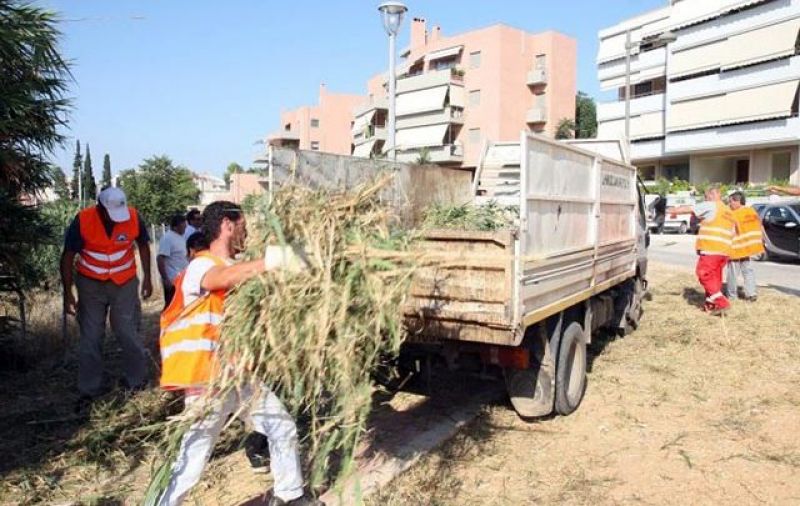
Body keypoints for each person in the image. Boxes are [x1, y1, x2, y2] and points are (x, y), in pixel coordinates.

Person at [156, 201, 319, 506]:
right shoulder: (201, 265)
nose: (246, 232)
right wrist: (274, 261)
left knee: (281, 425)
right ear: (228, 225)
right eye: (243, 226)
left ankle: (289, 495)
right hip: (207, 381)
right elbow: (221, 280)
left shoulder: (237, 267)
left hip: (238, 374)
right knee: (194, 456)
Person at [60, 187, 152, 404]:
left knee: (127, 330)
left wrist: (147, 277)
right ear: (100, 208)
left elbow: (144, 245)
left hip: (124, 281)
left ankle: (136, 381)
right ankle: (89, 389)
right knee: (91, 335)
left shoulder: (132, 216)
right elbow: (68, 256)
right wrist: (68, 292)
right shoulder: (83, 220)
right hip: (90, 282)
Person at [668, 186, 737, 315]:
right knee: (715, 279)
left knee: (703, 274)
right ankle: (711, 305)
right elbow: (733, 232)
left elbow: (689, 209)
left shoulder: (711, 205)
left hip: (711, 248)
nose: (705, 200)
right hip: (724, 251)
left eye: (705, 197)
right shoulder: (728, 211)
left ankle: (722, 302)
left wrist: (671, 210)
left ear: (711, 195)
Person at [726, 192, 764, 302]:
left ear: (737, 201)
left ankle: (732, 296)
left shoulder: (734, 214)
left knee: (733, 273)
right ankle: (751, 294)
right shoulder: (751, 211)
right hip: (748, 247)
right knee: (748, 271)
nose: (729, 204)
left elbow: (732, 231)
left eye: (731, 201)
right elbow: (759, 226)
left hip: (736, 248)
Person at [157, 214, 189, 306]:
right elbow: (160, 258)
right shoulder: (167, 238)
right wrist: (166, 279)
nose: (184, 229)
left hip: (182, 279)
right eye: (183, 227)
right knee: (171, 306)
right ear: (175, 227)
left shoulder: (181, 237)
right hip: (172, 280)